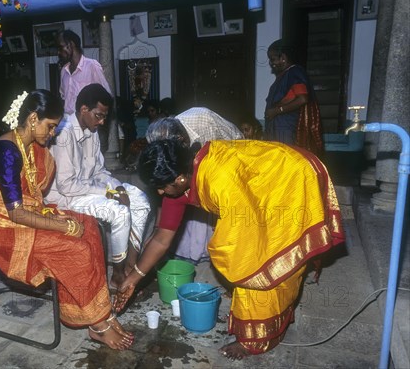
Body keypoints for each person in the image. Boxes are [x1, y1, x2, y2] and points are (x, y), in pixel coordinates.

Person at [114, 139, 344, 360]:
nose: (161, 194)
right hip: (274, 174)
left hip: (292, 178)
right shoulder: (179, 177)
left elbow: (242, 234)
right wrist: (133, 279)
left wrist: (231, 260)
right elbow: (162, 237)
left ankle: (256, 339)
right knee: (247, 256)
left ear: (181, 178)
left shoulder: (218, 179)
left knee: (256, 258)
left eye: (162, 187)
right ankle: (251, 311)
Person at [0, 90, 133, 350]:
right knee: (75, 248)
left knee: (89, 226)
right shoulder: (6, 151)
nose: (53, 133)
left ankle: (97, 313)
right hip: (1, 227)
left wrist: (65, 222)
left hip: (27, 214)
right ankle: (98, 325)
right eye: (51, 126)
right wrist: (62, 225)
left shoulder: (29, 144)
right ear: (33, 119)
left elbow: (32, 199)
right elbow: (15, 213)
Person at [46, 84, 151, 289]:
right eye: (98, 115)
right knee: (119, 211)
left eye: (104, 117)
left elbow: (99, 171)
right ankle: (118, 275)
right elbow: (67, 186)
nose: (102, 122)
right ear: (83, 109)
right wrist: (108, 193)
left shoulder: (91, 129)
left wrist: (117, 187)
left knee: (140, 199)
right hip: (66, 198)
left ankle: (130, 264)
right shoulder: (64, 133)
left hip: (87, 188)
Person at [145, 107, 243, 263]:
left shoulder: (205, 124)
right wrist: (158, 229)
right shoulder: (165, 137)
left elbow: (232, 151)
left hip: (233, 153)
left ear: (182, 141)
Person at [264, 39, 323, 155]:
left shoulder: (294, 72)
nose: (271, 63)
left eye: (273, 59)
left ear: (283, 58)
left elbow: (302, 98)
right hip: (278, 129)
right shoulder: (284, 75)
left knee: (287, 160)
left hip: (286, 130)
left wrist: (276, 111)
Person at [56, 30, 111, 115]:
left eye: (60, 47)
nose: (58, 52)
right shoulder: (64, 71)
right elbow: (63, 97)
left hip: (85, 124)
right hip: (67, 122)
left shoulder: (92, 66)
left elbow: (106, 96)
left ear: (71, 44)